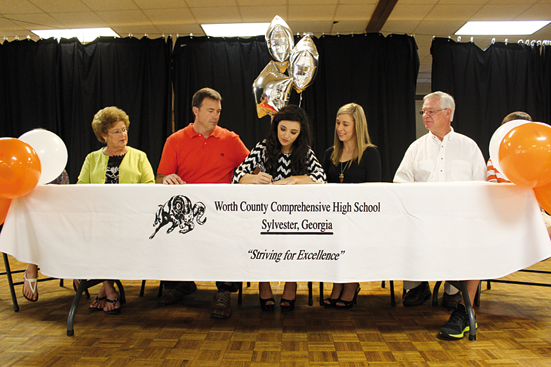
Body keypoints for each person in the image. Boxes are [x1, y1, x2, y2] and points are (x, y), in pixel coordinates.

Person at [394, 91, 486, 339]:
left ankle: (457, 296)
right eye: (423, 111)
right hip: (423, 221)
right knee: (399, 232)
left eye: (430, 111)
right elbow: (400, 183)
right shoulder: (416, 148)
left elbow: (481, 186)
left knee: (474, 242)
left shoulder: (468, 147)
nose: (425, 116)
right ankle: (417, 285)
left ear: (448, 113)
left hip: (460, 222)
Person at [156, 87, 250, 319]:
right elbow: (160, 176)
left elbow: (252, 168)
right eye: (210, 111)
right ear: (195, 111)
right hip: (187, 211)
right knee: (165, 231)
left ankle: (224, 291)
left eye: (218, 111)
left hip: (222, 211)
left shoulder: (231, 139)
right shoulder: (175, 140)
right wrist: (166, 178)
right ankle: (181, 283)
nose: (215, 116)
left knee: (230, 238)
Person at [232, 104, 326, 312]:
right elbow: (237, 176)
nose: (286, 136)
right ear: (275, 127)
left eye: (293, 132)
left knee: (294, 244)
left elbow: (321, 179)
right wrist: (255, 178)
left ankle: (290, 284)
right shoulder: (263, 147)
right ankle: (263, 284)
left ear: (300, 133)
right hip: (264, 214)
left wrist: (294, 179)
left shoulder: (305, 152)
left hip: (296, 216)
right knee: (260, 243)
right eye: (283, 129)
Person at [77, 106, 155, 314]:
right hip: (99, 219)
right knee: (95, 236)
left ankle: (106, 289)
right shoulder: (92, 158)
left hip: (131, 219)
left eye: (125, 130)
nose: (124, 135)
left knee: (108, 238)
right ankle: (109, 288)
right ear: (104, 135)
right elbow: (81, 188)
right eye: (117, 131)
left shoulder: (139, 156)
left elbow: (149, 185)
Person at [322, 103, 381, 309]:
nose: (340, 128)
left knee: (350, 238)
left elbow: (373, 192)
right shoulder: (331, 154)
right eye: (338, 123)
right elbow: (322, 186)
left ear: (358, 126)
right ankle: (338, 284)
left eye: (346, 124)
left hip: (359, 219)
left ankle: (351, 284)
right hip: (333, 217)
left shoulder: (369, 153)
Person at [487, 111, 551, 238]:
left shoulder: (540, 158)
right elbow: (493, 190)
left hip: (534, 212)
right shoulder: (494, 160)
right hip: (504, 214)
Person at [22, 170, 72, 302]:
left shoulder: (58, 170)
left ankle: (74, 268)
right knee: (31, 221)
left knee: (72, 223)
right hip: (28, 213)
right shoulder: (24, 169)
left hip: (57, 214)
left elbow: (66, 197)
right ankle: (32, 268)